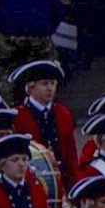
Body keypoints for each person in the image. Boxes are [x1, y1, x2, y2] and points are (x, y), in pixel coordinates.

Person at [9, 54, 77, 186]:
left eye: (53, 83)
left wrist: (74, 182)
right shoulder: (18, 115)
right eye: (44, 84)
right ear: (31, 87)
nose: (50, 88)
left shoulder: (62, 112)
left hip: (63, 181)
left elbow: (71, 152)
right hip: (33, 182)